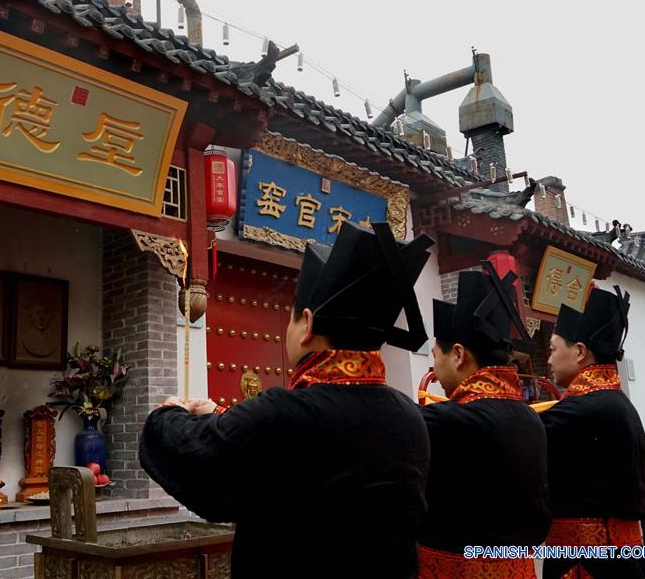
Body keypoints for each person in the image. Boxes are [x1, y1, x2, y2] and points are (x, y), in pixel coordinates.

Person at [139, 222, 434, 579]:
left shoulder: (285, 414)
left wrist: (170, 413)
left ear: (306, 324)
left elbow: (203, 464)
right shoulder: (409, 416)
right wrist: (218, 415)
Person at [418, 263, 550, 578]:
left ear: (459, 354)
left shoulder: (447, 421)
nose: (434, 370)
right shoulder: (532, 418)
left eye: (436, 356)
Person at [541, 286, 645, 579]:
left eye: (553, 349)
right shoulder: (617, 404)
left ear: (580, 352)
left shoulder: (580, 411)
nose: (549, 360)